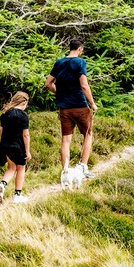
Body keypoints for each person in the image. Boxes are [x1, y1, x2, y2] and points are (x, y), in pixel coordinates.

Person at [45, 38, 97, 178]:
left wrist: (60, 93)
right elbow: (84, 85)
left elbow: (48, 83)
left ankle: (66, 171)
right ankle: (83, 166)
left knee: (66, 140)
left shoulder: (59, 62)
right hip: (80, 106)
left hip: (64, 108)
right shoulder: (80, 62)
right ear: (80, 49)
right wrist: (92, 103)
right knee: (88, 135)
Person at [0, 92, 32, 204]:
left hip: (6, 145)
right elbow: (26, 135)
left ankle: (2, 184)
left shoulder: (5, 114)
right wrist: (27, 151)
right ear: (24, 102)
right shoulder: (23, 116)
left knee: (11, 168)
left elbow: (1, 131)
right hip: (18, 147)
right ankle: (17, 195)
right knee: (21, 169)